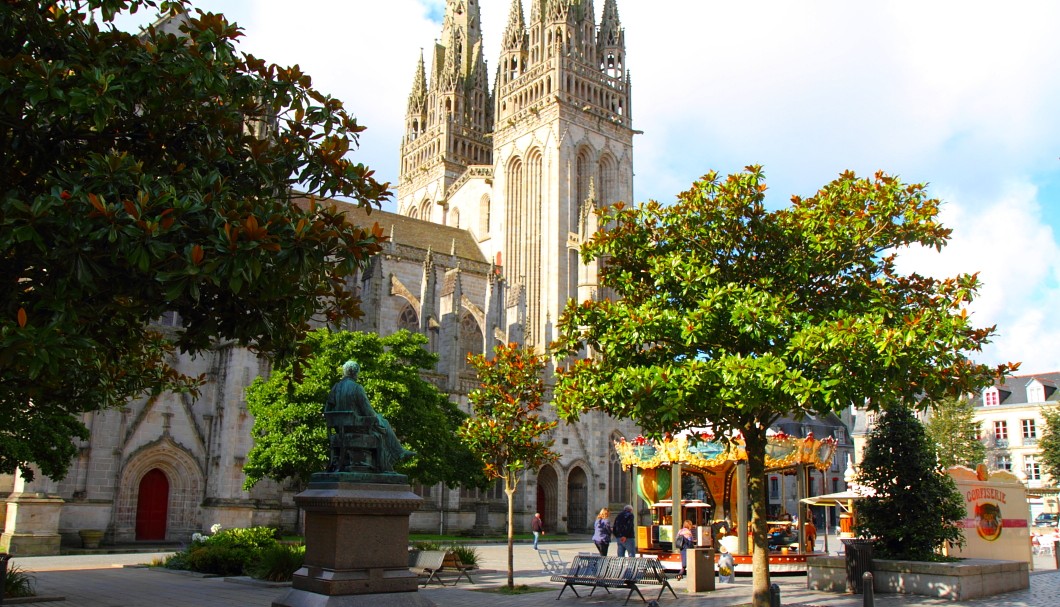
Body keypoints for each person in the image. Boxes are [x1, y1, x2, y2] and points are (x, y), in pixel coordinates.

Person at [324, 360, 414, 473]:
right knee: (382, 427)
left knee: (381, 423)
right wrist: (377, 420)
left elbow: (327, 410)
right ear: (356, 373)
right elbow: (368, 412)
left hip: (339, 429)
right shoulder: (357, 388)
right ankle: (387, 464)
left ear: (344, 372)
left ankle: (399, 453)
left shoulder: (335, 388)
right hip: (355, 427)